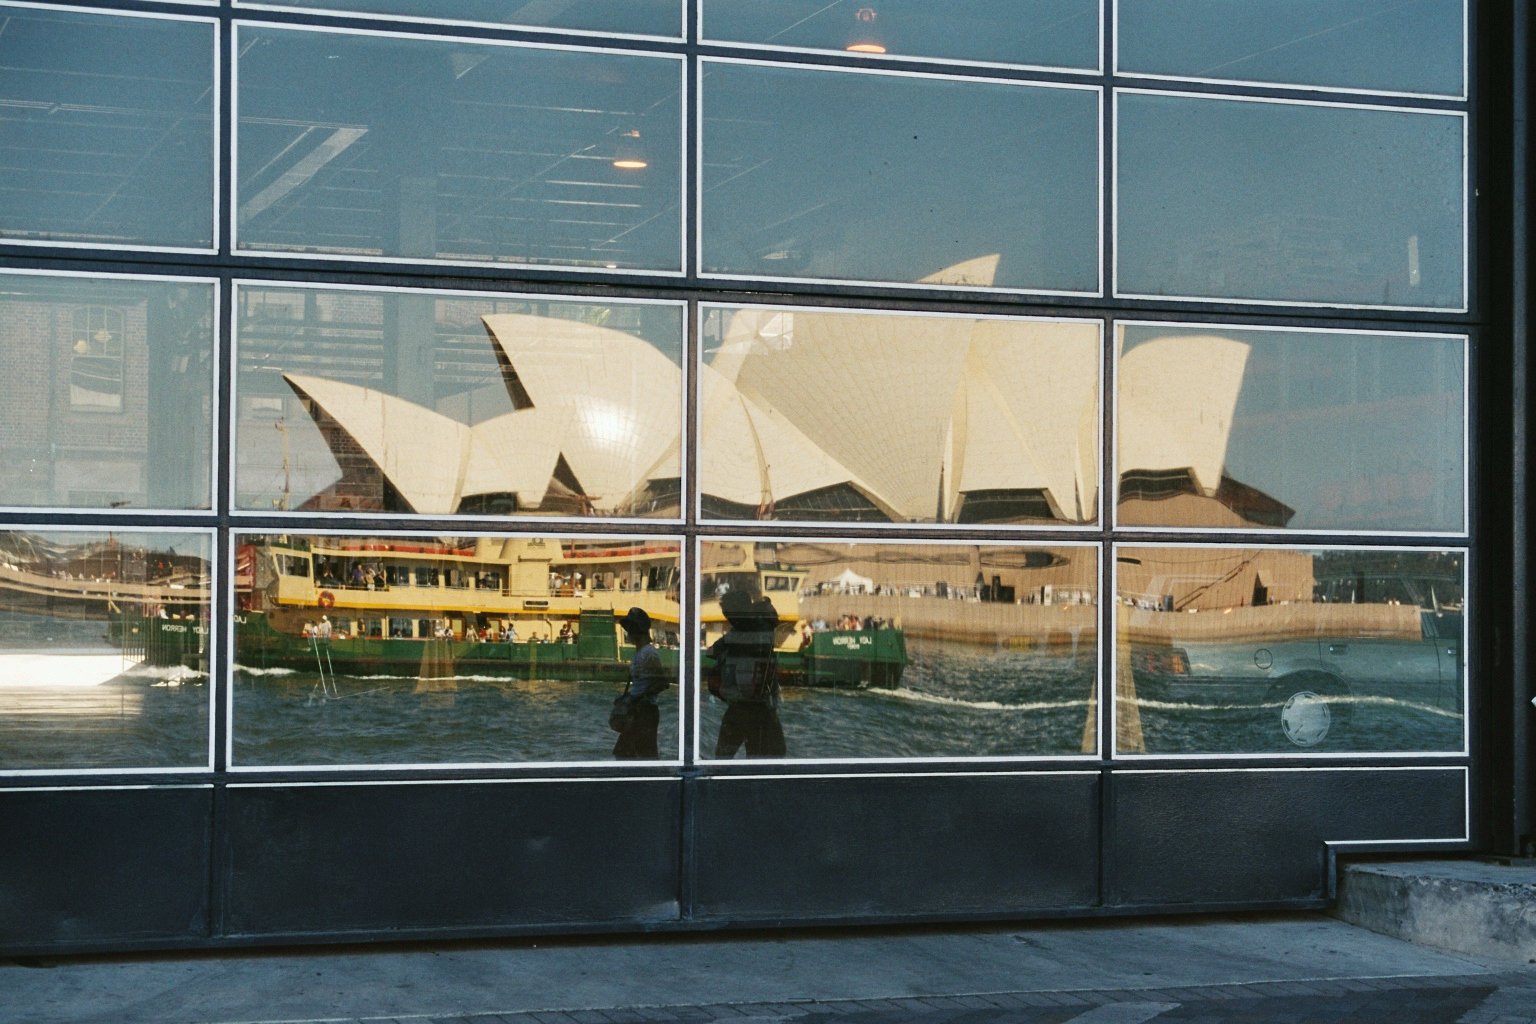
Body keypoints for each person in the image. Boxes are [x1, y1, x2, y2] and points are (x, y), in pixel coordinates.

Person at [706, 591, 785, 758]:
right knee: (756, 758)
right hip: (755, 705)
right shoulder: (762, 628)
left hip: (747, 707)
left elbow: (713, 651)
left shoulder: (742, 635)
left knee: (726, 758)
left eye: (730, 614)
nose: (729, 619)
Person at [611, 607, 670, 759]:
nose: (628, 633)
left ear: (637, 631)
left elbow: (662, 683)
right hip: (638, 711)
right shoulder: (640, 653)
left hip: (644, 711)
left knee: (640, 755)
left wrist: (635, 698)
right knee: (629, 754)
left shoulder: (648, 653)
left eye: (630, 629)